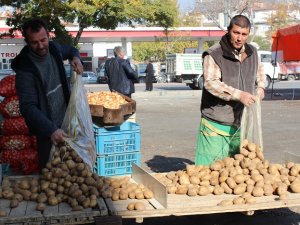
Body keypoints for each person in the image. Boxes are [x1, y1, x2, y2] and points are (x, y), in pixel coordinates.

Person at [11, 18, 84, 169]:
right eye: (34, 42)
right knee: (50, 171)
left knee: (74, 170)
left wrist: (76, 58)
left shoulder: (54, 49)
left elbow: (71, 50)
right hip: (47, 131)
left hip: (67, 123)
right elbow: (28, 107)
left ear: (49, 36)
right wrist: (51, 130)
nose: (40, 46)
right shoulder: (25, 69)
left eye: (43, 40)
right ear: (27, 42)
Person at [195, 15, 265, 166]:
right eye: (236, 33)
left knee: (235, 171)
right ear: (228, 31)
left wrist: (260, 88)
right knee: (209, 172)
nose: (239, 38)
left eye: (244, 34)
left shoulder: (253, 52)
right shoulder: (214, 54)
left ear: (248, 34)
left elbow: (259, 74)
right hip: (216, 123)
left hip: (240, 123)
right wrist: (239, 95)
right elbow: (211, 83)